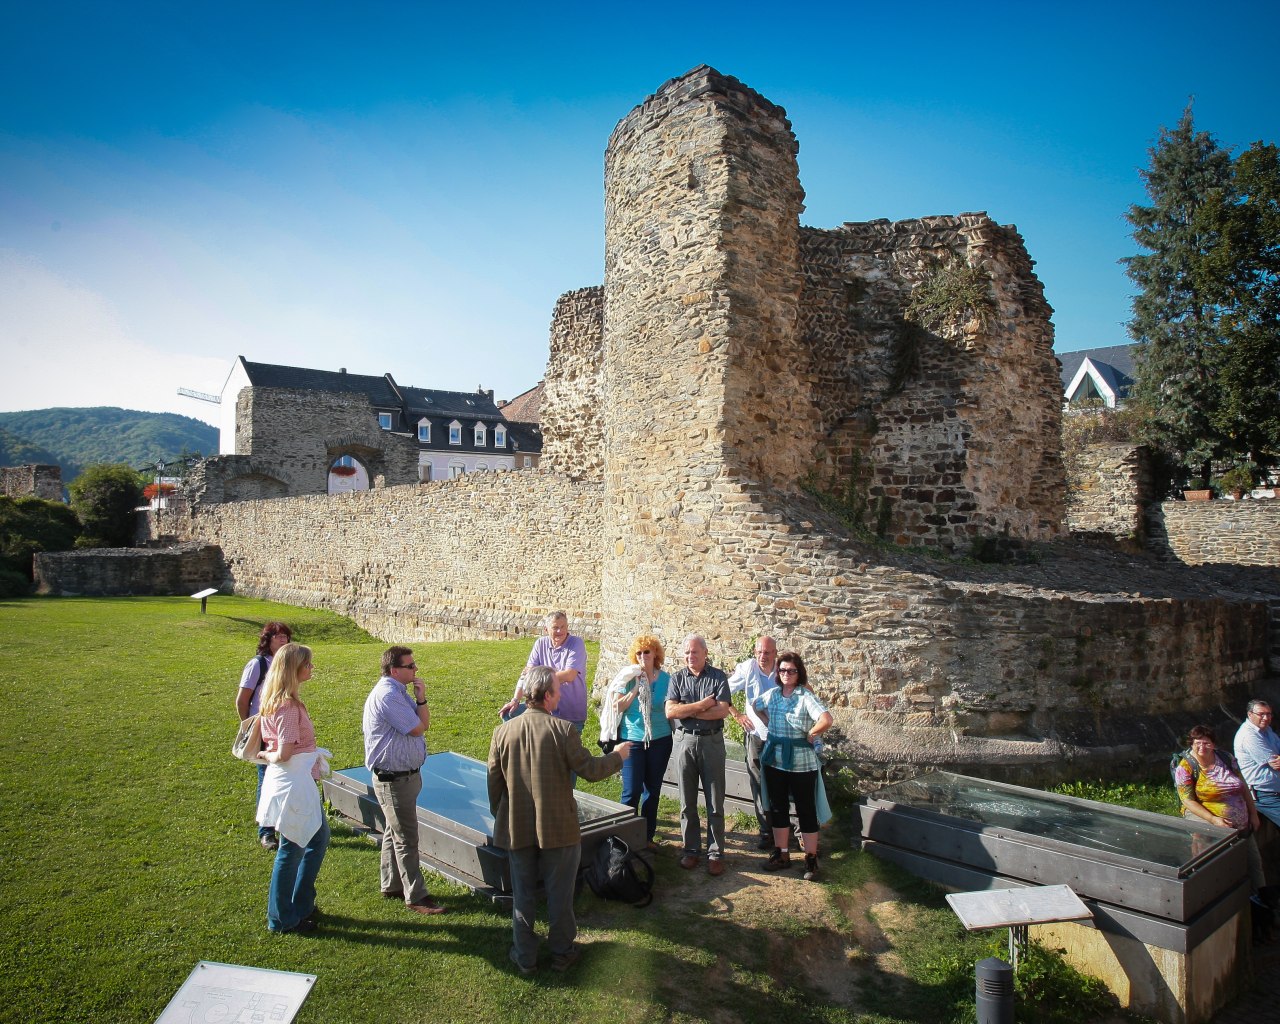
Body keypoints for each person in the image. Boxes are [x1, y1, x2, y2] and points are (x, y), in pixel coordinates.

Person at [488, 666, 631, 975]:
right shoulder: (563, 730)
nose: (562, 694)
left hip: (517, 827)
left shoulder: (503, 731)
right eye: (558, 689)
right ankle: (562, 953)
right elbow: (591, 770)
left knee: (523, 895)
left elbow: (494, 783)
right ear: (548, 696)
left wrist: (501, 814)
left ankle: (525, 957)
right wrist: (619, 755)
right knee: (560, 895)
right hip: (559, 829)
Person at [362, 645, 447, 916]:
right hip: (393, 780)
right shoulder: (388, 696)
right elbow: (417, 728)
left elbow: (424, 723)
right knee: (406, 838)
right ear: (394, 670)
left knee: (393, 831)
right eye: (410, 666)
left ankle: (391, 884)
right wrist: (420, 703)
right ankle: (417, 896)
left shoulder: (399, 691)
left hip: (403, 778)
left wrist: (421, 698)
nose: (415, 669)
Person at [257, 643, 330, 934]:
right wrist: (266, 755)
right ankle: (282, 917)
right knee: (292, 848)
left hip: (297, 780)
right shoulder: (287, 706)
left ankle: (301, 903)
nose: (311, 669)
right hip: (293, 784)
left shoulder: (284, 701)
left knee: (318, 837)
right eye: (308, 664)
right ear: (293, 669)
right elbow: (284, 752)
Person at [753, 651, 833, 881]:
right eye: (782, 670)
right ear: (777, 673)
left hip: (801, 763)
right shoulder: (773, 695)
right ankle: (782, 853)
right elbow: (755, 704)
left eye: (791, 671)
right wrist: (769, 724)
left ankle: (810, 858)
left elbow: (826, 719)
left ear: (799, 673)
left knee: (805, 810)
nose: (786, 674)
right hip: (776, 761)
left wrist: (812, 733)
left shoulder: (805, 696)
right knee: (778, 808)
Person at [665, 634, 732, 876]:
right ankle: (691, 850)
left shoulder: (718, 677)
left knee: (715, 801)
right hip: (685, 742)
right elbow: (670, 711)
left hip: (711, 742)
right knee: (687, 801)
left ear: (705, 653)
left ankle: (715, 853)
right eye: (686, 653)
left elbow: (722, 711)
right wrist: (702, 705)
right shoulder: (677, 678)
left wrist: (687, 711)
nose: (690, 657)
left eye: (694, 652)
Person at [1175, 724, 1265, 894]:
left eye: (1206, 743)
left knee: (1254, 864)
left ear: (1214, 744)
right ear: (1191, 744)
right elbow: (1187, 801)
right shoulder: (1185, 767)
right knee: (1218, 868)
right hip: (1212, 827)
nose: (1202, 747)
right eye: (1197, 743)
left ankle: (1263, 901)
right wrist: (1213, 819)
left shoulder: (1225, 758)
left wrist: (1253, 814)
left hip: (1243, 825)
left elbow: (1243, 786)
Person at [609, 634, 673, 849]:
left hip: (660, 739)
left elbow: (670, 708)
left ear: (655, 654)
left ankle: (646, 837)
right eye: (639, 653)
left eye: (647, 651)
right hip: (632, 739)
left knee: (652, 791)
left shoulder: (666, 679)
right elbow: (617, 707)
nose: (643, 656)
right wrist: (636, 689)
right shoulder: (628, 677)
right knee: (632, 790)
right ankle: (622, 839)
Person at [236, 621, 292, 850]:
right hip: (263, 727)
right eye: (278, 637)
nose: (283, 641)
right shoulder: (258, 665)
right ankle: (266, 831)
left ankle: (282, 821)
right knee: (266, 776)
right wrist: (249, 724)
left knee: (282, 773)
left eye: (286, 637)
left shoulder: (287, 664)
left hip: (283, 726)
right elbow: (242, 699)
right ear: (267, 640)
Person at [499, 611, 589, 736]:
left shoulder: (576, 643)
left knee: (563, 753)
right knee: (509, 713)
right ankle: (517, 751)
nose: (560, 631)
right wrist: (515, 699)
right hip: (544, 707)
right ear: (546, 629)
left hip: (570, 712)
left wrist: (537, 676)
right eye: (555, 627)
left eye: (563, 627)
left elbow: (569, 675)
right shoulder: (541, 643)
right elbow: (526, 675)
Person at [727, 636, 779, 850]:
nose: (762, 657)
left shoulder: (784, 668)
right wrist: (737, 715)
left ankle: (790, 828)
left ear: (775, 653)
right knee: (758, 783)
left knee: (783, 783)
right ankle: (766, 831)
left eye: (767, 652)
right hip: (756, 735)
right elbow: (723, 691)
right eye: (758, 652)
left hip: (782, 737)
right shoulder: (748, 668)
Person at [1235, 699, 1280, 830]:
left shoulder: (1266, 730)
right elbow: (1276, 764)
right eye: (1261, 714)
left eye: (1269, 714)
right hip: (1264, 794)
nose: (1266, 718)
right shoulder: (1249, 736)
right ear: (1250, 714)